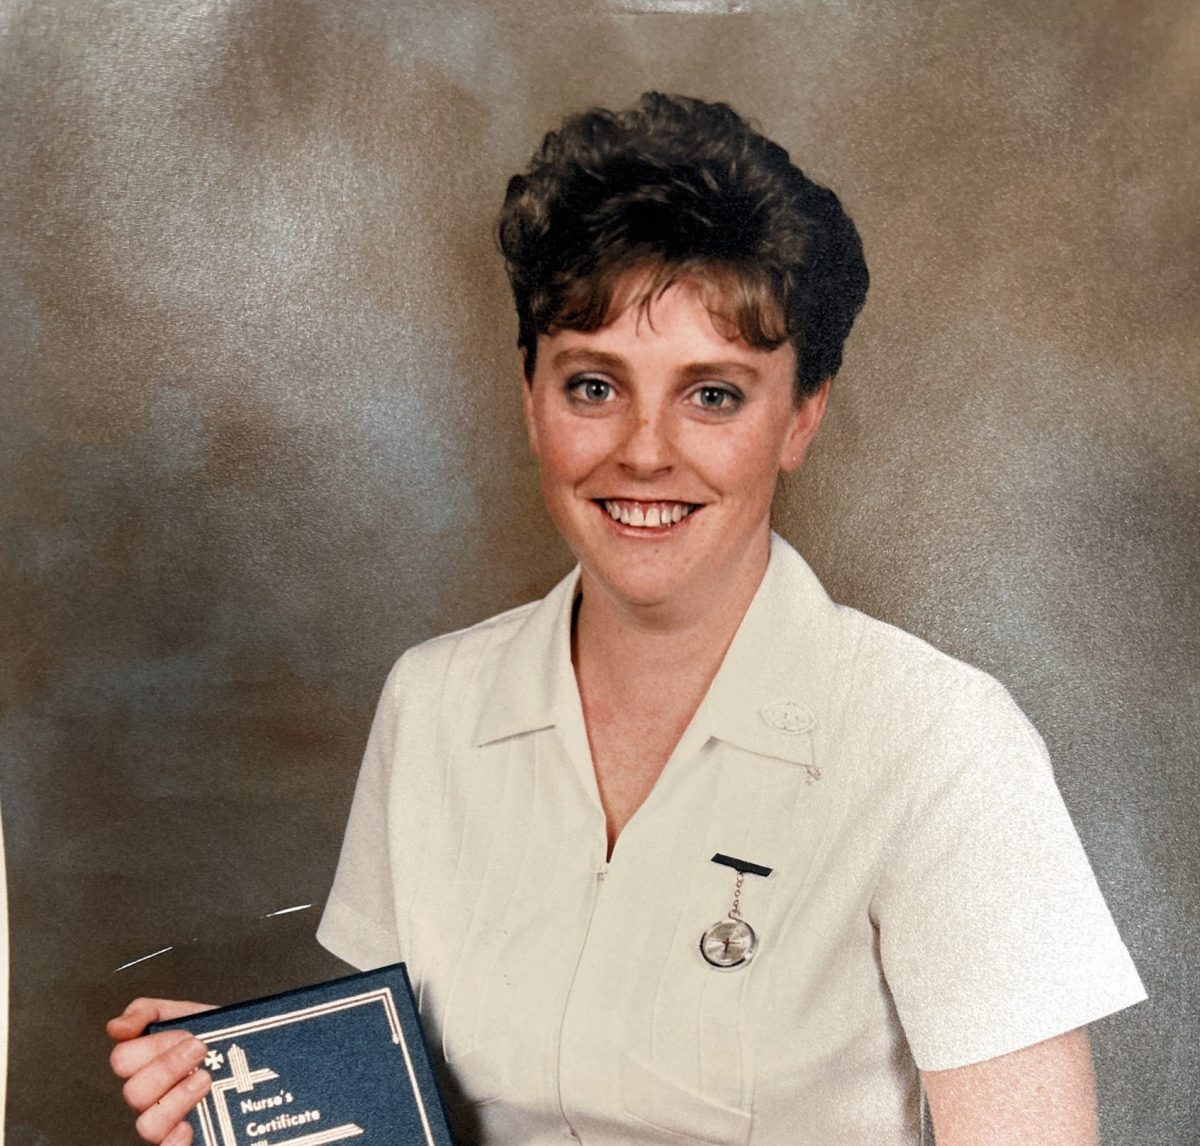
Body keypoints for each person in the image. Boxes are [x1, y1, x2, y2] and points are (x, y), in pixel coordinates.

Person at [109, 92, 1145, 1145]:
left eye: (714, 396)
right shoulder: (432, 706)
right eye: (595, 385)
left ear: (803, 416)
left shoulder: (941, 744)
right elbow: (420, 1111)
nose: (644, 452)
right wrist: (253, 1082)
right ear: (529, 396)